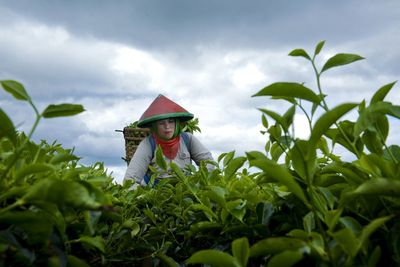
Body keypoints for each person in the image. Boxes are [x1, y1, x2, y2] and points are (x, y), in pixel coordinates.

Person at [123, 94, 214, 187]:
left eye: (171, 121)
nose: (167, 127)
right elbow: (130, 179)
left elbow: (209, 162)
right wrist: (143, 197)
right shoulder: (148, 144)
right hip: (157, 191)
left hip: (185, 188)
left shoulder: (187, 139)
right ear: (155, 126)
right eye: (161, 123)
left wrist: (198, 183)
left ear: (176, 123)